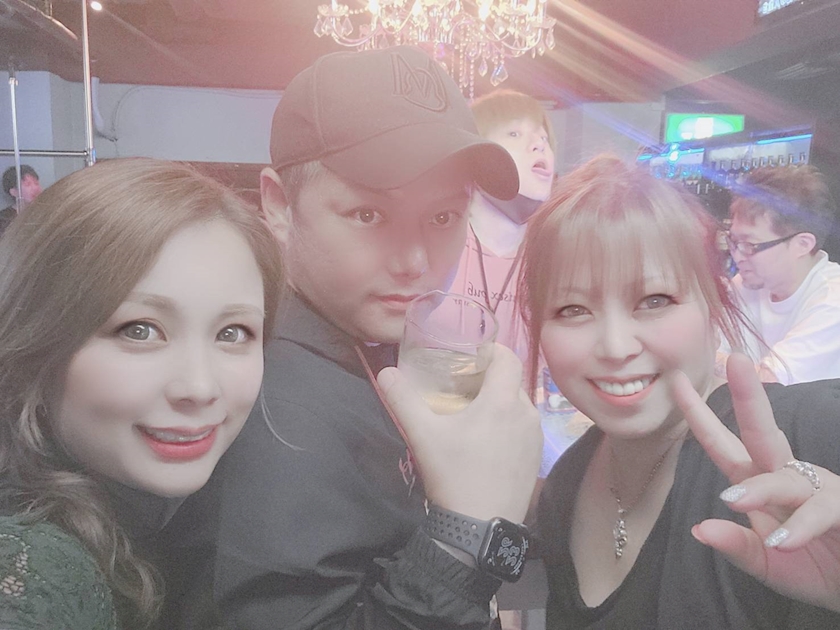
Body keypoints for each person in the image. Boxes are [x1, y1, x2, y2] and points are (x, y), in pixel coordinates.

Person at [160, 46, 543, 630]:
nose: (415, 262)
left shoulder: (360, 344)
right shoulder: (266, 403)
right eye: (368, 215)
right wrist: (462, 542)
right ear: (279, 205)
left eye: (443, 217)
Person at [519, 154, 840, 628]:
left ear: (714, 306)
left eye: (654, 300)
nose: (615, 347)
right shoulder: (566, 484)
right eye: (572, 309)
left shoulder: (810, 431)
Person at [0, 158, 283, 629]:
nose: (200, 388)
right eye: (140, 330)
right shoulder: (32, 564)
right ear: (35, 336)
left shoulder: (200, 510)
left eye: (233, 333)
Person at [447, 89, 556, 365]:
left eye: (543, 138)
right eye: (514, 134)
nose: (539, 145)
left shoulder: (557, 259)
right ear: (475, 153)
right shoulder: (436, 245)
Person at [725, 165, 840, 384]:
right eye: (734, 241)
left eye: (750, 245)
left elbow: (769, 384)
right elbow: (697, 353)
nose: (737, 255)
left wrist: (713, 364)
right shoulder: (745, 284)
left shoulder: (832, 302)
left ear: (802, 244)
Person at [0, 164, 42, 237]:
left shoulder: (44, 212)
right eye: (28, 184)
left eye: (36, 183)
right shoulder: (3, 218)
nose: (35, 188)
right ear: (14, 192)